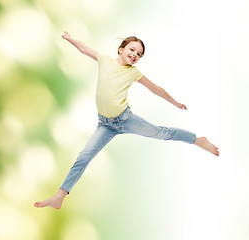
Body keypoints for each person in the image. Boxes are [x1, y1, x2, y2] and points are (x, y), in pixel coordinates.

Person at [34, 31, 219, 210]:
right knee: (83, 157)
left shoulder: (133, 72)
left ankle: (197, 140)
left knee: (162, 133)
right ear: (121, 49)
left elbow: (155, 88)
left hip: (126, 120)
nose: (135, 55)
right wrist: (69, 39)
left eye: (139, 54)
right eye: (132, 50)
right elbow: (84, 49)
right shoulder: (105, 60)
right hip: (105, 125)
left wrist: (175, 102)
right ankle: (60, 196)